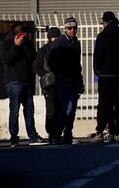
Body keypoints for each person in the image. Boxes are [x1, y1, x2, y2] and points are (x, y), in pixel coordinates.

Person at [0, 22, 47, 147]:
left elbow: (33, 59)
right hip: (13, 81)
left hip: (26, 80)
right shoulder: (5, 44)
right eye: (20, 33)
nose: (23, 36)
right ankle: (14, 137)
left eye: (24, 34)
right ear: (14, 34)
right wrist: (15, 46)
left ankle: (33, 136)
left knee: (29, 110)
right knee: (14, 110)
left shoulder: (27, 44)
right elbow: (7, 60)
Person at [92, 11, 119, 143]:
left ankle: (101, 131)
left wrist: (98, 69)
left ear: (106, 22)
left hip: (106, 75)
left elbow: (97, 56)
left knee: (104, 104)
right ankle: (118, 132)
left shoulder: (102, 36)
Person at [48, 17, 84, 145]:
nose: (73, 30)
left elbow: (77, 63)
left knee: (72, 109)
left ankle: (67, 134)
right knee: (66, 108)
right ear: (65, 29)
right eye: (70, 28)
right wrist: (60, 74)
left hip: (74, 79)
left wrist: (80, 80)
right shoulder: (59, 43)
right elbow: (51, 62)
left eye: (75, 28)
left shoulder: (76, 42)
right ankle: (56, 134)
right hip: (64, 80)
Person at [33, 27, 61, 144]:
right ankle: (51, 133)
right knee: (51, 110)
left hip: (60, 82)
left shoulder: (62, 49)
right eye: (53, 37)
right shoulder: (44, 50)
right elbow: (36, 66)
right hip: (49, 85)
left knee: (59, 108)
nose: (55, 39)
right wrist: (46, 76)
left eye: (57, 37)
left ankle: (57, 133)